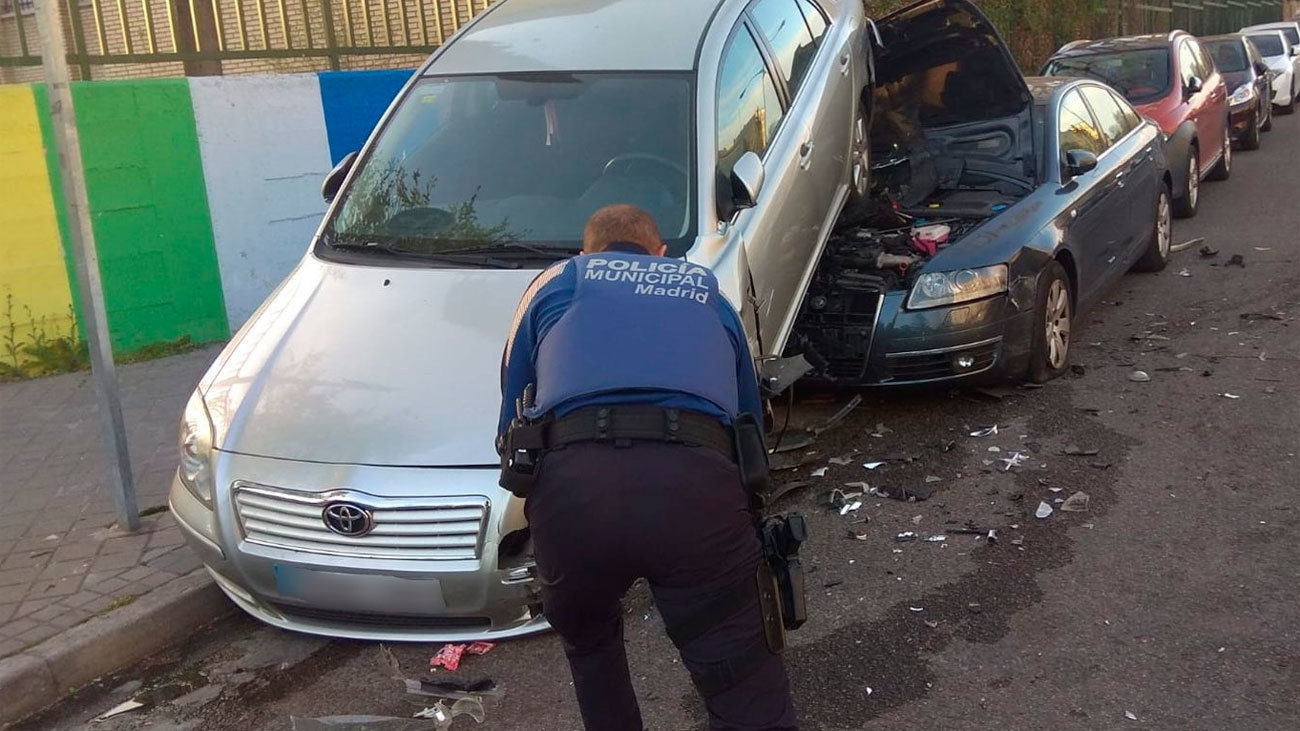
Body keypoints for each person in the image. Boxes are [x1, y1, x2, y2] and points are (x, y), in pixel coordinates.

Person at [498, 204, 798, 730]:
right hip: (694, 489)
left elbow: (512, 416)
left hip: (575, 494)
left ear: (585, 253)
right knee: (742, 681)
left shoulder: (555, 283)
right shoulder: (703, 289)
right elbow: (750, 422)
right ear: (661, 254)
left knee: (592, 651)